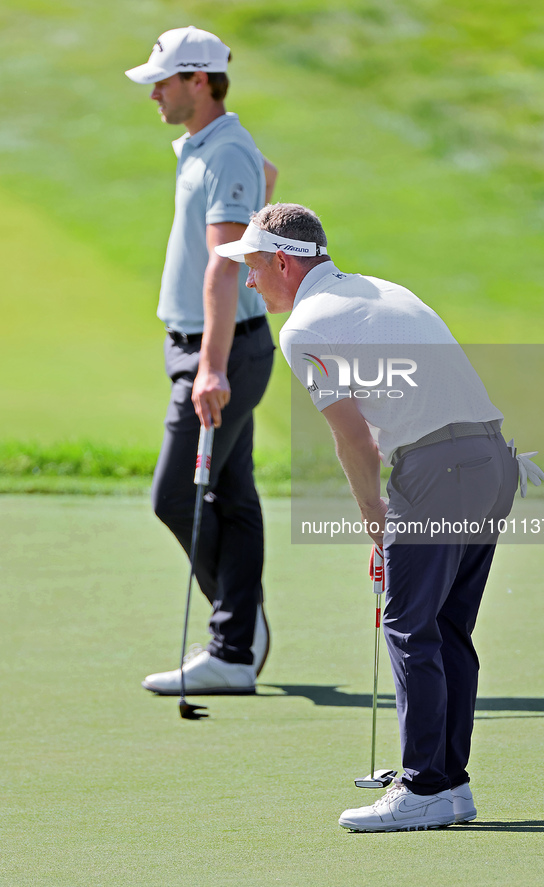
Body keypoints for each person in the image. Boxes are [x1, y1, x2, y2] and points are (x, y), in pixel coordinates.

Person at [215, 203, 544, 831]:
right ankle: (449, 785)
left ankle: (421, 784)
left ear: (284, 261)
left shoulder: (304, 328)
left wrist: (376, 519)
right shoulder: (385, 289)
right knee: (445, 628)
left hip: (440, 471)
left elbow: (355, 441)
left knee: (407, 625)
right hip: (494, 464)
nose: (250, 282)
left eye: (254, 267)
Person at [124, 27, 277, 695]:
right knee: (232, 492)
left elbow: (223, 264)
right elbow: (266, 178)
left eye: (163, 80)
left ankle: (233, 637)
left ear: (198, 81)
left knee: (173, 494)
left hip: (220, 351)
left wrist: (210, 368)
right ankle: (239, 637)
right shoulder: (209, 147)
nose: (153, 91)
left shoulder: (223, 152)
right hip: (204, 344)